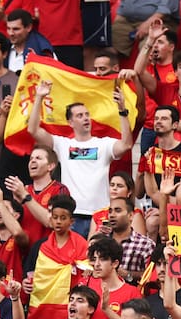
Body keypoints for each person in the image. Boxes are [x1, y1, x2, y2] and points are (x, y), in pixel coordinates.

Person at [27, 78, 132, 236]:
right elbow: (33, 130)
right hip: (72, 216)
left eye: (87, 115)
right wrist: (39, 97)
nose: (85, 118)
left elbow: (126, 145)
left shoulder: (103, 145)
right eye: (80, 115)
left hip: (100, 215)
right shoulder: (62, 145)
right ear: (70, 122)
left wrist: (122, 110)